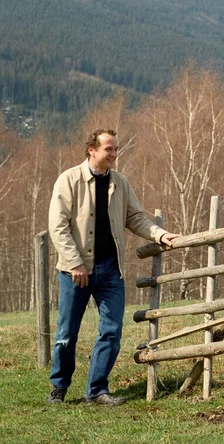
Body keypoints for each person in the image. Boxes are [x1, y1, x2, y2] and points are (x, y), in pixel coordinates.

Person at [48, 129, 179, 405]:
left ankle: (97, 390)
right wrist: (75, 263)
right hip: (76, 272)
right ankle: (58, 388)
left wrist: (159, 234)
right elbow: (58, 228)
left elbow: (136, 218)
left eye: (116, 149)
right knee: (66, 332)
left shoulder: (120, 183)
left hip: (110, 271)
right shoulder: (68, 180)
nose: (114, 154)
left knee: (112, 330)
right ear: (91, 150)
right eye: (109, 149)